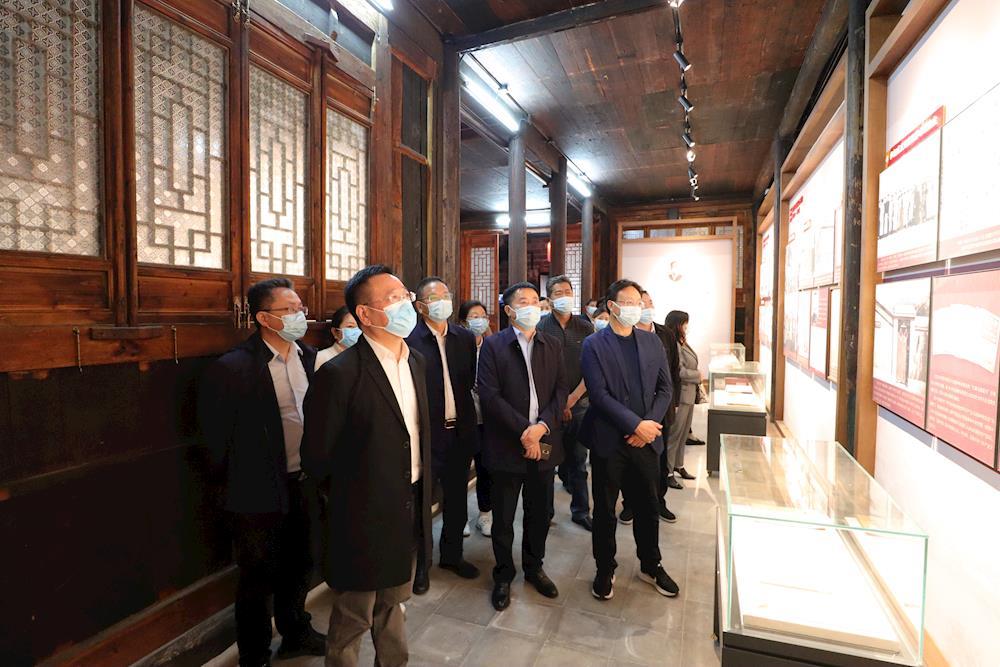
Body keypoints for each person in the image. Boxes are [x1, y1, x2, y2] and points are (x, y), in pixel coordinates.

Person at [301, 265, 432, 667]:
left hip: (407, 500)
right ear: (365, 314)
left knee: (395, 600)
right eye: (392, 298)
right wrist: (350, 501)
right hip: (361, 512)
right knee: (355, 610)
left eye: (405, 295)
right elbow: (317, 456)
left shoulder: (416, 361)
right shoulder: (339, 374)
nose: (405, 304)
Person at [199, 278, 325, 667]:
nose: (300, 315)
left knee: (301, 562)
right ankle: (254, 655)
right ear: (264, 318)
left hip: (304, 481)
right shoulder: (233, 368)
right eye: (290, 309)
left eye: (301, 308)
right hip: (256, 489)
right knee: (257, 575)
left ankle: (295, 632)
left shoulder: (310, 358)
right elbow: (215, 440)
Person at [581, 279, 679, 602]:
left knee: (648, 507)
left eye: (639, 302)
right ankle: (604, 568)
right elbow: (599, 395)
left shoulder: (651, 342)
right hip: (609, 442)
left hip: (646, 443)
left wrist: (648, 426)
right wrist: (637, 425)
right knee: (605, 510)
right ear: (611, 306)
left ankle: (650, 565)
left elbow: (665, 388)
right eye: (629, 302)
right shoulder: (593, 345)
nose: (636, 307)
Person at [477, 282, 568, 611]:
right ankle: (503, 574)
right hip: (506, 444)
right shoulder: (494, 346)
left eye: (535, 301)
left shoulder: (552, 343)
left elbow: (560, 391)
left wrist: (540, 428)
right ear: (509, 310)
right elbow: (489, 395)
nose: (531, 307)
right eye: (523, 302)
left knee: (539, 513)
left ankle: (534, 568)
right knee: (503, 517)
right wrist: (524, 431)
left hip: (544, 442)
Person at [406, 277, 481, 593]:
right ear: (420, 306)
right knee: (423, 502)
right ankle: (422, 566)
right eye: (434, 297)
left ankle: (452, 556)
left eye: (446, 295)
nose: (442, 301)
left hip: (460, 431)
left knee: (456, 498)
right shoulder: (409, 340)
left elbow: (469, 382)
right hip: (427, 435)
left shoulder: (465, 338)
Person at [538, 274, 594, 531]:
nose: (564, 297)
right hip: (549, 408)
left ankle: (581, 511)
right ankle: (545, 513)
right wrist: (559, 404)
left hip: (579, 404)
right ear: (550, 299)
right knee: (546, 463)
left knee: (579, 462)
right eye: (558, 293)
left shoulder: (585, 327)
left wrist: (572, 399)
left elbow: (591, 369)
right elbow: (538, 371)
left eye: (567, 292)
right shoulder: (540, 327)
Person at [621, 291, 681, 522]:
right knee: (631, 460)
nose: (646, 307)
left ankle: (659, 501)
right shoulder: (626, 333)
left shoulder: (665, 334)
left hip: (661, 410)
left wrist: (672, 404)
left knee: (660, 458)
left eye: (649, 303)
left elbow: (673, 371)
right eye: (641, 303)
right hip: (634, 412)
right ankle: (629, 504)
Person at [459, 299, 493, 537]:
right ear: (463, 322)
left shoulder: (492, 346)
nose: (479, 320)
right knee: (460, 470)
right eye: (473, 316)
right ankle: (459, 516)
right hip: (463, 419)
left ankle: (485, 514)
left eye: (482, 316)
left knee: (486, 469)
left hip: (487, 420)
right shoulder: (456, 347)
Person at [665, 310, 700, 486]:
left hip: (690, 395)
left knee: (684, 433)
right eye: (685, 323)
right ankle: (668, 471)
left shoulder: (682, 342)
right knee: (675, 434)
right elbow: (678, 371)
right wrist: (697, 375)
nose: (687, 326)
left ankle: (679, 465)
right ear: (678, 324)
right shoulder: (674, 344)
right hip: (681, 395)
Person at [315, 306, 361, 370]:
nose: (357, 331)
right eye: (350, 326)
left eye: (360, 326)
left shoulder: (366, 355)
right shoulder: (322, 357)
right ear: (335, 332)